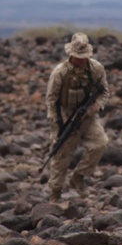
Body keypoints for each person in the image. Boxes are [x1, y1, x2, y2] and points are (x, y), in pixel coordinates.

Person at [44, 32, 111, 202]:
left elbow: (104, 93)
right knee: (61, 155)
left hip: (88, 116)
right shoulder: (60, 72)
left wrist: (92, 109)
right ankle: (55, 191)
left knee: (100, 144)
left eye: (83, 56)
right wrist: (57, 124)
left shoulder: (96, 69)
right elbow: (51, 100)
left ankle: (79, 176)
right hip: (65, 116)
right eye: (77, 56)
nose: (81, 60)